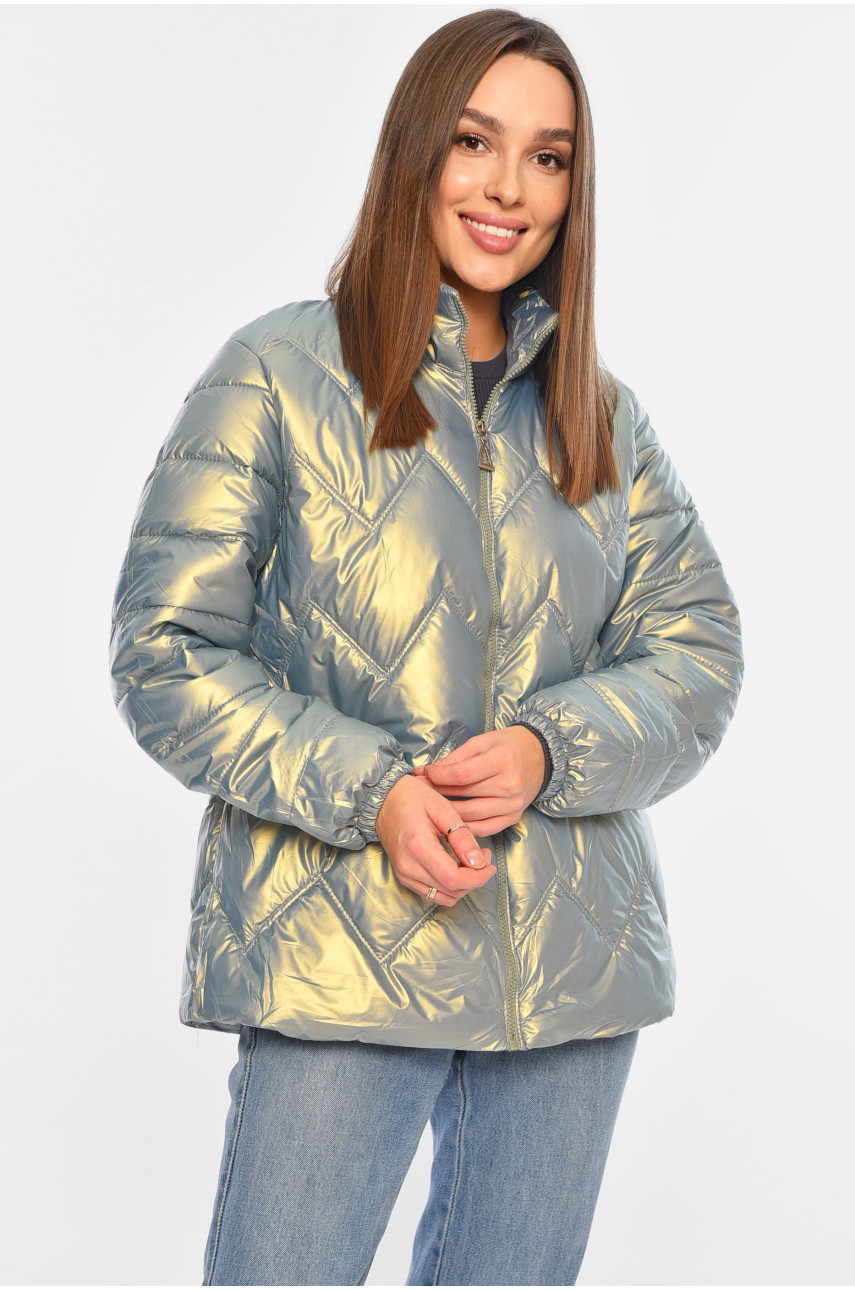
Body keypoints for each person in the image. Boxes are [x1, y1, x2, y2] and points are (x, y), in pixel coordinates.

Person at [110, 9, 743, 1286]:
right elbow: (165, 652)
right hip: (341, 949)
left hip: (568, 976)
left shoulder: (600, 414)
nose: (510, 188)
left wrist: (551, 748)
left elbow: (699, 651)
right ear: (416, 150)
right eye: (474, 141)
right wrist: (377, 791)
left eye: (550, 157)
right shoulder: (279, 373)